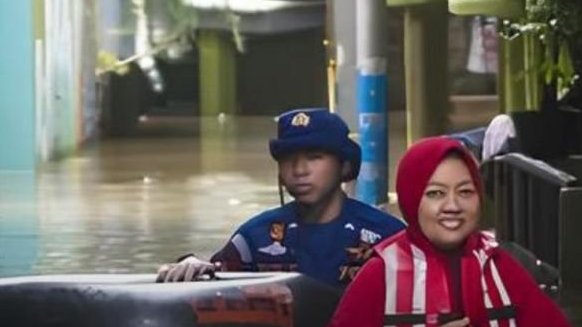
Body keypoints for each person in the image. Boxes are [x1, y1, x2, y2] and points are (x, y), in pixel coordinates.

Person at [314, 136, 578, 327]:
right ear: (412, 198)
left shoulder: (500, 265)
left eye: (465, 192)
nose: (452, 205)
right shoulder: (380, 273)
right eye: (435, 194)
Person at [156, 108, 406, 287]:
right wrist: (190, 264)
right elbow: (216, 278)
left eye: (314, 157)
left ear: (344, 167)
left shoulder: (388, 236)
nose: (299, 170)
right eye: (288, 159)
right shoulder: (256, 235)